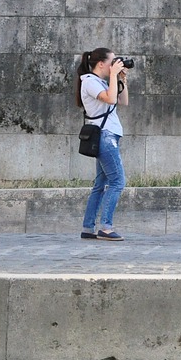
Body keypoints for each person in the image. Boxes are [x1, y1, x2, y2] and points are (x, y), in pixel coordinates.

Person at [76, 47, 129, 241]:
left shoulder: (101, 82)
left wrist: (121, 77)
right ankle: (106, 227)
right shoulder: (89, 82)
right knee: (117, 182)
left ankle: (88, 228)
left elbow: (123, 101)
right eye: (112, 62)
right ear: (101, 64)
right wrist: (113, 76)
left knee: (100, 184)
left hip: (109, 135)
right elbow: (109, 98)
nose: (115, 64)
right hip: (105, 136)